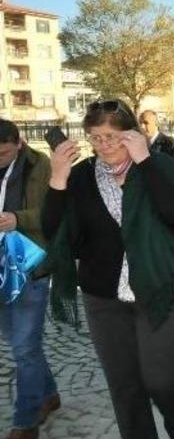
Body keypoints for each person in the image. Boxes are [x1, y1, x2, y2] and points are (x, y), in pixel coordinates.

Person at [43, 99, 174, 439]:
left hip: (160, 287)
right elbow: (56, 237)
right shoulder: (82, 175)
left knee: (161, 376)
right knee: (124, 385)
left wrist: (144, 162)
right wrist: (57, 178)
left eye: (113, 136)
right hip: (103, 296)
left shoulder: (157, 165)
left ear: (132, 134)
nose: (104, 145)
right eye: (96, 137)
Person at [0, 120, 59, 439]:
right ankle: (48, 394)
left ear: (18, 143)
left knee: (24, 346)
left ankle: (26, 421)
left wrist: (17, 219)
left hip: (29, 264)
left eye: (4, 151)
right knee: (20, 342)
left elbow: (54, 212)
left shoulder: (40, 165)